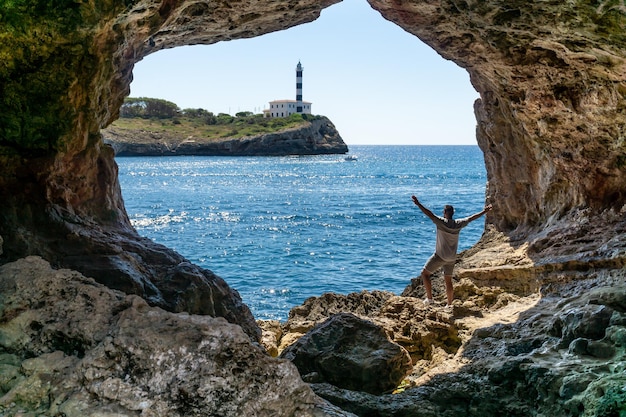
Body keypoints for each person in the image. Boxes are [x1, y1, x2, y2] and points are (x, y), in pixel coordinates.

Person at [411, 195, 492, 306]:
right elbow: (472, 218)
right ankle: (449, 304)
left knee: (425, 274)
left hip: (440, 256)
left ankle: (429, 299)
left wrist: (418, 204)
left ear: (444, 212)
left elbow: (429, 214)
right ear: (453, 213)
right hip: (452, 258)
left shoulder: (441, 222)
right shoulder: (458, 224)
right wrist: (484, 211)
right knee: (448, 281)